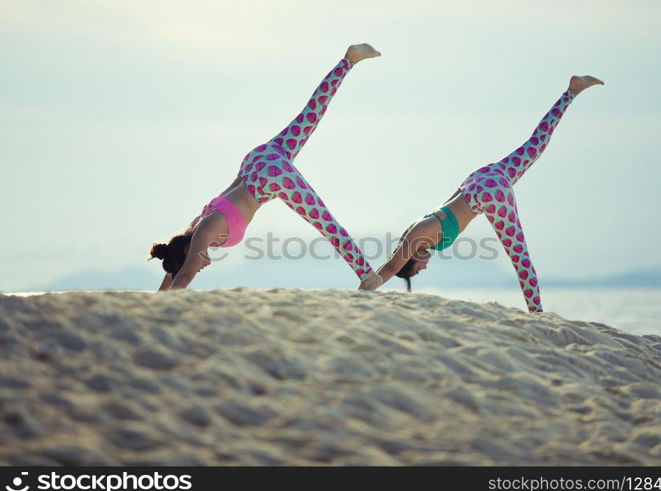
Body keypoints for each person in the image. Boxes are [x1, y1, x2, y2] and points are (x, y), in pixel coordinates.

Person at [149, 44, 384, 291]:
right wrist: (159, 297)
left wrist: (163, 310)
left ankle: (368, 275)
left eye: (193, 262)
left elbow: (184, 276)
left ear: (187, 251)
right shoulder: (195, 225)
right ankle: (348, 61)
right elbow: (176, 272)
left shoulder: (202, 234)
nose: (199, 266)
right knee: (309, 115)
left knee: (324, 221)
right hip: (257, 160)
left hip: (268, 178)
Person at [367, 75, 604, 312]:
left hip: (489, 195)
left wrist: (363, 292)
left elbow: (390, 267)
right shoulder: (418, 227)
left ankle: (537, 313)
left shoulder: (416, 238)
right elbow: (451, 198)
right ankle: (571, 92)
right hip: (480, 178)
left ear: (409, 260)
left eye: (417, 269)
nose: (424, 268)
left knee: (521, 259)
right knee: (534, 146)